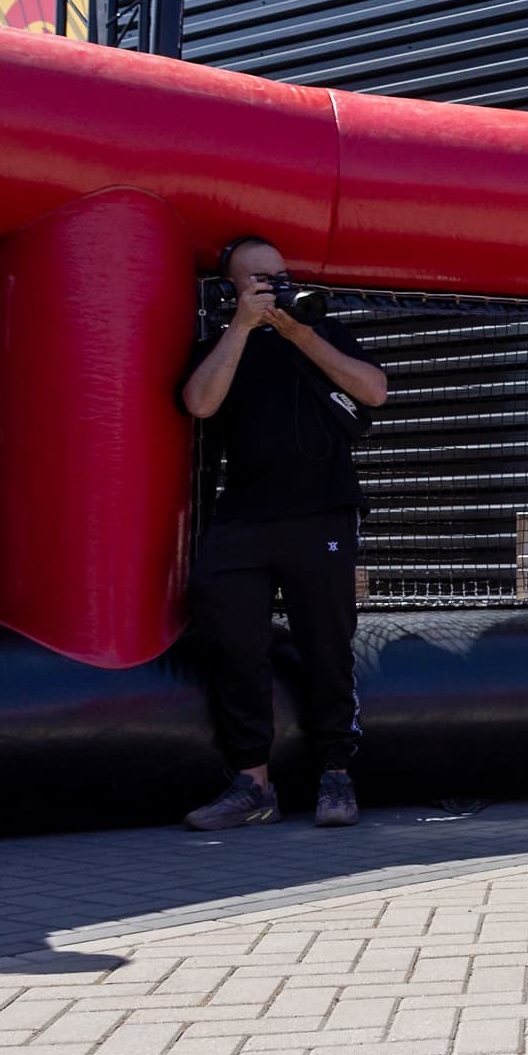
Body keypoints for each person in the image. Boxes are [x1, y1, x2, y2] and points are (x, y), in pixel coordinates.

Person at [179, 236, 389, 830]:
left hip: (321, 512)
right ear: (232, 290)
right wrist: (244, 327)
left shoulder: (323, 334)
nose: (275, 288)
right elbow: (198, 403)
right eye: (259, 281)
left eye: (281, 276)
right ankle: (252, 784)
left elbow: (374, 391)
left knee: (327, 644)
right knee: (234, 645)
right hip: (244, 518)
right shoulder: (220, 345)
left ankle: (336, 776)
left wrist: (299, 332)